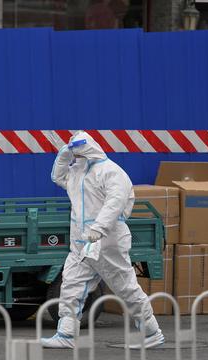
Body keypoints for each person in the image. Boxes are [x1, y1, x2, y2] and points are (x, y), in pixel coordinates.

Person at [41, 132, 165, 349]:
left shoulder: (111, 172)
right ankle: (66, 334)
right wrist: (63, 157)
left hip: (107, 241)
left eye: (78, 153)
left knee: (125, 287)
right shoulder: (77, 174)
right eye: (74, 155)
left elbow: (115, 202)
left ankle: (151, 333)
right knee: (71, 284)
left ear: (88, 150)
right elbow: (57, 177)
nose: (76, 158)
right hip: (82, 244)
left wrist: (99, 228)